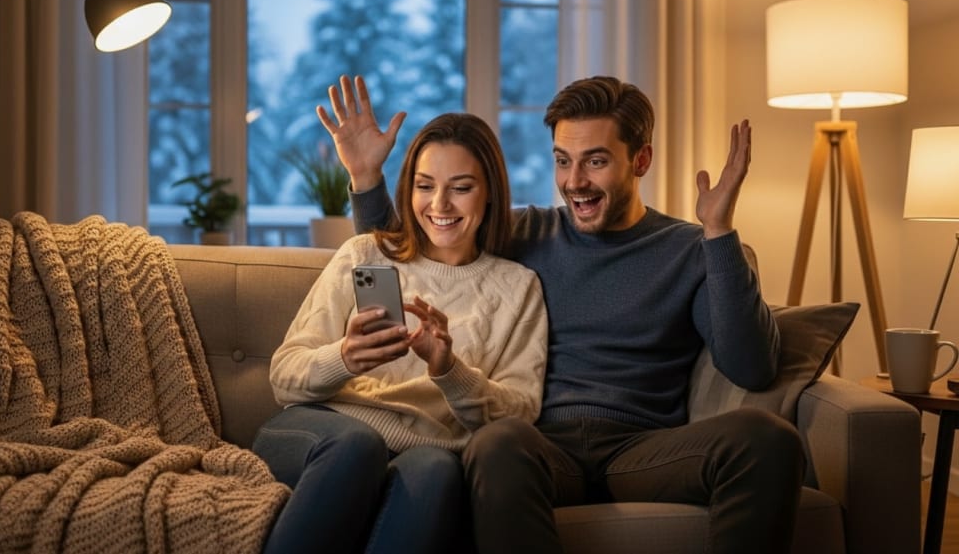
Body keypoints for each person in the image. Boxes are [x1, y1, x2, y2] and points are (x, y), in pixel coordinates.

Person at [325, 73, 806, 554]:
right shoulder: (524, 233)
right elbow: (414, 259)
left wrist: (719, 232)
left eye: (595, 162)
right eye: (562, 161)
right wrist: (367, 180)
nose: (574, 182)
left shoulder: (687, 249)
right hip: (537, 445)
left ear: (641, 160)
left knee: (769, 439)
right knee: (496, 443)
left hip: (642, 450)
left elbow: (753, 367)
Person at [252, 111, 548, 554]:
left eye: (461, 188)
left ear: (490, 194)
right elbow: (283, 376)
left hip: (423, 448)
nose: (440, 205)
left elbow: (520, 412)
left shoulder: (518, 287)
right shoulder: (365, 252)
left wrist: (449, 370)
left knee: (437, 470)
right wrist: (344, 358)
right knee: (359, 444)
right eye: (425, 186)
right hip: (321, 433)